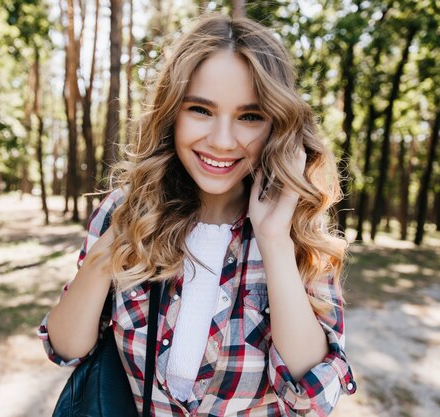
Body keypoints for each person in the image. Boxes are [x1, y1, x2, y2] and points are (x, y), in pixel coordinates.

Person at [39, 13, 356, 417]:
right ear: (173, 113)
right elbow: (65, 348)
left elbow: (311, 395)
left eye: (249, 116)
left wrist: (274, 241)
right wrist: (117, 240)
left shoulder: (296, 228)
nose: (222, 141)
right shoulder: (124, 210)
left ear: (277, 124)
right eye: (201, 110)